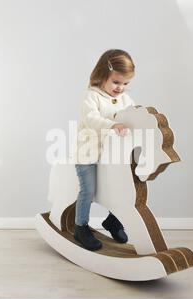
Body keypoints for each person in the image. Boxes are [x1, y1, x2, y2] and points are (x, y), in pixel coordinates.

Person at [74, 49, 136, 251]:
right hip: (89, 153)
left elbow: (132, 116)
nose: (121, 88)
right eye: (116, 82)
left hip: (112, 155)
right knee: (89, 190)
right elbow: (91, 119)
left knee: (121, 189)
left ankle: (112, 221)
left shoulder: (126, 100)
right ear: (103, 75)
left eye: (126, 84)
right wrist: (112, 125)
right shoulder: (91, 96)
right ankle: (81, 226)